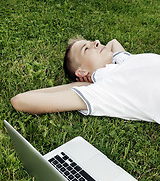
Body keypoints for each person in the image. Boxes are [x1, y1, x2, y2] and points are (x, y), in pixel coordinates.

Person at [11, 38, 160, 124]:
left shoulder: (121, 60)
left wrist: (98, 69)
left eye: (92, 42)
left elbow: (113, 43)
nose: (96, 42)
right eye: (86, 49)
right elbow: (20, 100)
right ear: (81, 72)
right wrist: (79, 85)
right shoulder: (103, 90)